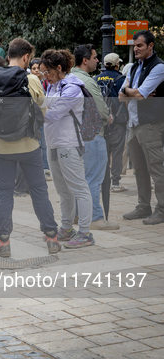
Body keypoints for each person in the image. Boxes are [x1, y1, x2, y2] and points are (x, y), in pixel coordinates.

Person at [0, 38, 59, 256]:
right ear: (25, 57)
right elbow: (43, 109)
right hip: (30, 146)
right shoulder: (31, 79)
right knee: (40, 191)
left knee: (4, 195)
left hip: (2, 148)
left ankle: (3, 243)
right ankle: (51, 238)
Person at [40, 49, 94, 248]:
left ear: (59, 68)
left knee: (79, 188)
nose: (45, 76)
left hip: (69, 145)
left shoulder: (72, 88)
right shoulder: (53, 86)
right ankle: (66, 228)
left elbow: (52, 113)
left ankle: (85, 233)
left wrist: (31, 110)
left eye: (47, 72)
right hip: (53, 144)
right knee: (63, 191)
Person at [71, 44, 119, 231]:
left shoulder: (70, 77)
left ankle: (78, 213)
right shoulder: (88, 82)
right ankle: (95, 217)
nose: (98, 60)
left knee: (81, 178)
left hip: (76, 135)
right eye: (95, 57)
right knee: (93, 178)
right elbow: (100, 109)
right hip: (93, 135)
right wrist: (108, 116)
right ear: (85, 60)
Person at [119, 30, 164, 225]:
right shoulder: (133, 68)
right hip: (133, 124)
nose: (135, 49)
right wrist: (131, 91)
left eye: (140, 46)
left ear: (150, 46)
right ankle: (143, 207)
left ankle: (161, 209)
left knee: (156, 169)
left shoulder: (159, 67)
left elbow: (140, 95)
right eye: (134, 45)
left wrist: (130, 91)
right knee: (139, 169)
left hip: (151, 125)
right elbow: (122, 96)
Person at [94, 53, 129, 193]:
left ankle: (103, 181)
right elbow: (125, 100)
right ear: (117, 65)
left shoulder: (95, 79)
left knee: (104, 150)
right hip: (118, 119)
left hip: (101, 120)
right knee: (117, 150)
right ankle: (115, 182)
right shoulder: (121, 79)